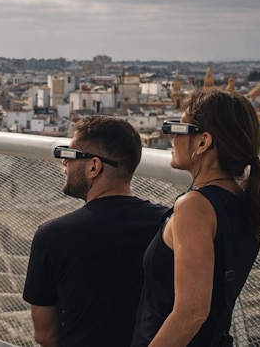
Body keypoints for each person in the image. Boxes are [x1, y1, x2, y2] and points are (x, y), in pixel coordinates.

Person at [131, 87, 260, 346]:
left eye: (177, 129)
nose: (170, 138)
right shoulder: (244, 201)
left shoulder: (195, 206)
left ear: (203, 142)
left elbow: (192, 314)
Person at [22, 115, 167, 347]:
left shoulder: (52, 236)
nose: (64, 163)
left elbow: (45, 335)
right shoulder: (167, 224)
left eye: (70, 155)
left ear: (93, 167)